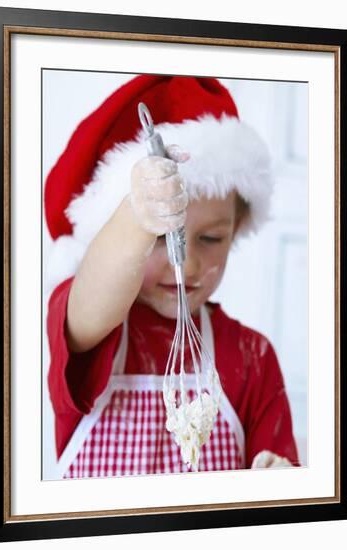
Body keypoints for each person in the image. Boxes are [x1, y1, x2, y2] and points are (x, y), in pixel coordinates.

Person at [45, 75, 300, 479]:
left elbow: (283, 490)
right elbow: (93, 298)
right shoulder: (94, 328)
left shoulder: (253, 357)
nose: (189, 264)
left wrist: (279, 477)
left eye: (212, 238)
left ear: (237, 230)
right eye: (160, 238)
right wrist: (136, 217)